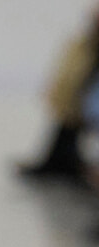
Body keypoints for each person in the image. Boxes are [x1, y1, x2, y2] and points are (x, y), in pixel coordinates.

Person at [12, 8, 99, 185]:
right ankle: (62, 161)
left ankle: (63, 161)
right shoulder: (84, 48)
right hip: (81, 105)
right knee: (67, 122)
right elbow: (69, 80)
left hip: (85, 107)